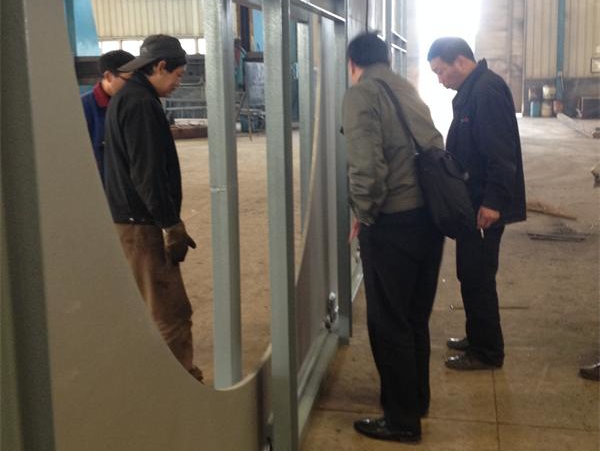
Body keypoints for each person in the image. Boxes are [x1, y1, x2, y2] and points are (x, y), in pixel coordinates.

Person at [342, 32, 445, 443]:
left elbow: (367, 167)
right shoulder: (407, 89)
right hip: (429, 219)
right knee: (415, 317)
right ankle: (416, 400)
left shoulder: (362, 94)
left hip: (393, 223)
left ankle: (401, 420)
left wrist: (364, 215)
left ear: (353, 64)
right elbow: (434, 144)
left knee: (389, 323)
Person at [103, 34, 203, 382]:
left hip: (130, 220)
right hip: (142, 225)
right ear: (160, 67)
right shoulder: (141, 104)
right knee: (171, 313)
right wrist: (170, 224)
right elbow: (147, 174)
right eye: (178, 75)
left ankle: (155, 380)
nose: (178, 83)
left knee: (149, 307)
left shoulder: (127, 97)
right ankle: (179, 384)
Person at [427, 37, 526, 371]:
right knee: (470, 274)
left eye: (441, 71)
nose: (440, 80)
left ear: (459, 61)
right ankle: (477, 336)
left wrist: (493, 203)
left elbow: (502, 154)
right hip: (473, 204)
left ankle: (487, 352)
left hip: (485, 207)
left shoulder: (486, 92)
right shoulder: (473, 91)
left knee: (478, 277)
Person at [81, 50, 135, 182]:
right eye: (129, 80)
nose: (135, 86)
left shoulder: (133, 104)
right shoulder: (84, 108)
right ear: (109, 76)